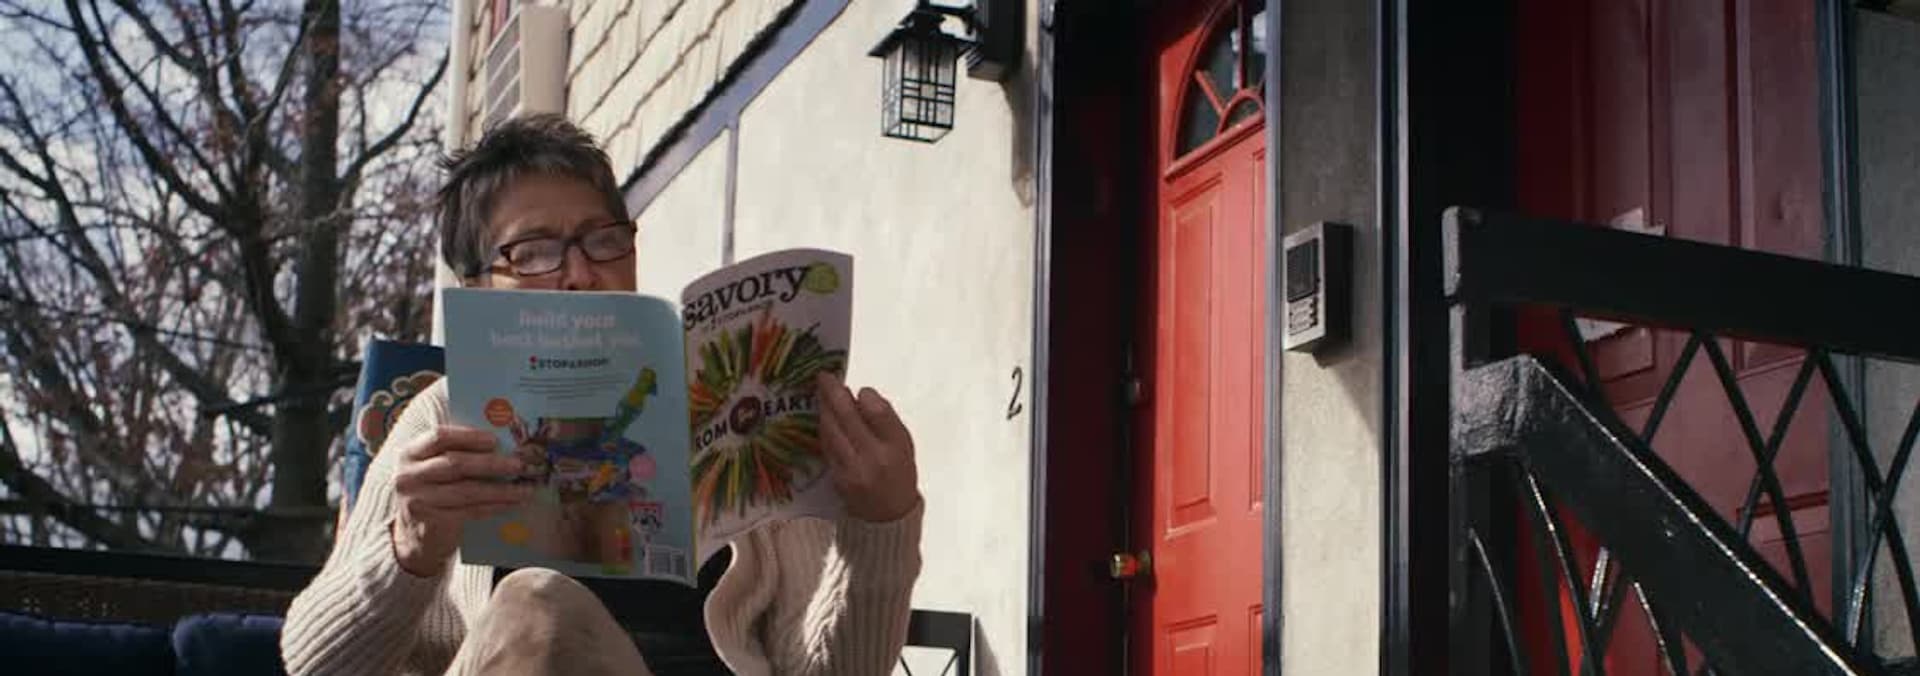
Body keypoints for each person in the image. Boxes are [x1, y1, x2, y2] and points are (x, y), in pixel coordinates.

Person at [281, 114, 924, 676]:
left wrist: (880, 526)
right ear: (476, 288)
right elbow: (315, 664)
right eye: (534, 252)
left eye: (604, 240)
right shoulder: (442, 417)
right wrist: (410, 551)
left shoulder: (731, 411)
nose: (581, 273)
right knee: (535, 608)